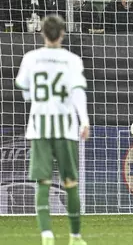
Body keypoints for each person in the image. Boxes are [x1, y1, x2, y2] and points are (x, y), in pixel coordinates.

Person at [14, 14, 90, 245]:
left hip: (39, 127)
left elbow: (24, 90)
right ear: (63, 34)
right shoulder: (72, 60)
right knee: (70, 183)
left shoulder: (30, 58)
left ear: (42, 33)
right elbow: (78, 92)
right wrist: (84, 120)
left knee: (43, 182)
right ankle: (75, 237)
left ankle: (46, 235)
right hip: (66, 128)